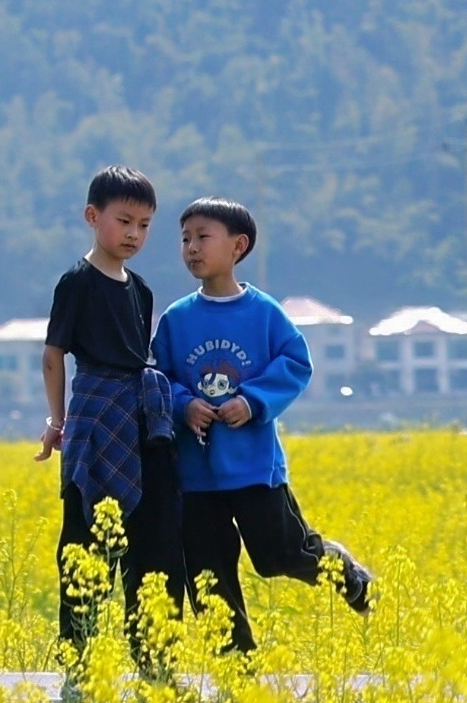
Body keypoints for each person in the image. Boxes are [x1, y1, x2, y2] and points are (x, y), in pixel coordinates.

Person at [157, 198, 375, 651]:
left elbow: (295, 364)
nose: (191, 247)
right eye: (185, 239)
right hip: (195, 475)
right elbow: (159, 377)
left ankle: (344, 571)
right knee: (208, 574)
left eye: (203, 237)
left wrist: (252, 401)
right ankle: (237, 666)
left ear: (238, 246)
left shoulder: (264, 312)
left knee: (280, 556)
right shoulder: (176, 319)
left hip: (254, 468)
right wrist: (184, 405)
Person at [38, 167, 186, 659]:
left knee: (156, 532)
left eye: (144, 225)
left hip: (144, 417)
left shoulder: (141, 290)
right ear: (92, 216)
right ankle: (78, 652)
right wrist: (56, 422)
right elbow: (53, 354)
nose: (134, 234)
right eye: (124, 221)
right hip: (96, 414)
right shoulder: (77, 283)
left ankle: (155, 653)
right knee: (86, 531)